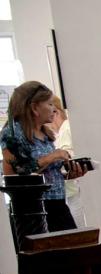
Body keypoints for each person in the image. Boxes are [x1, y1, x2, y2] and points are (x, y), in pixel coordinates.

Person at [1, 81, 86, 232]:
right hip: (32, 211)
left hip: (58, 205)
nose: (54, 109)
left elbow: (47, 174)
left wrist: (70, 174)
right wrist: (52, 156)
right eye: (50, 104)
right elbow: (14, 176)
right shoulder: (13, 133)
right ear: (34, 107)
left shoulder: (45, 134)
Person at [49, 96, 84, 228]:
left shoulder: (66, 130)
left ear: (55, 112)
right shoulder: (63, 131)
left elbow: (68, 159)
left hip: (72, 191)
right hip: (68, 191)